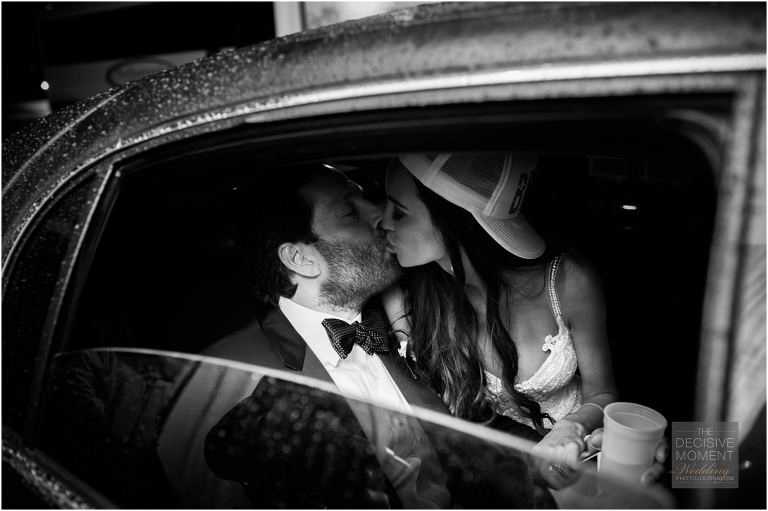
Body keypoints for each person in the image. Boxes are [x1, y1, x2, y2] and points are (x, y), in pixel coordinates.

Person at [200, 163, 547, 508]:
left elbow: (478, 419)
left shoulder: (415, 309)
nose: (380, 213)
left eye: (365, 197)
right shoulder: (237, 374)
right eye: (350, 211)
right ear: (300, 258)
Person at [381, 153, 667, 487]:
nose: (382, 222)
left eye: (399, 212)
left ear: (454, 221)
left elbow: (603, 392)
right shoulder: (409, 294)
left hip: (577, 458)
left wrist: (571, 428)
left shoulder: (568, 281)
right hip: (499, 473)